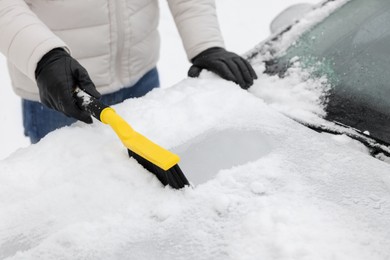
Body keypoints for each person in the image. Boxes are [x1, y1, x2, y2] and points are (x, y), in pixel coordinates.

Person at [0, 0, 257, 143]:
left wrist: (205, 44)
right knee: (69, 199)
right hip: (61, 92)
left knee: (143, 186)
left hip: (141, 78)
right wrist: (45, 56)